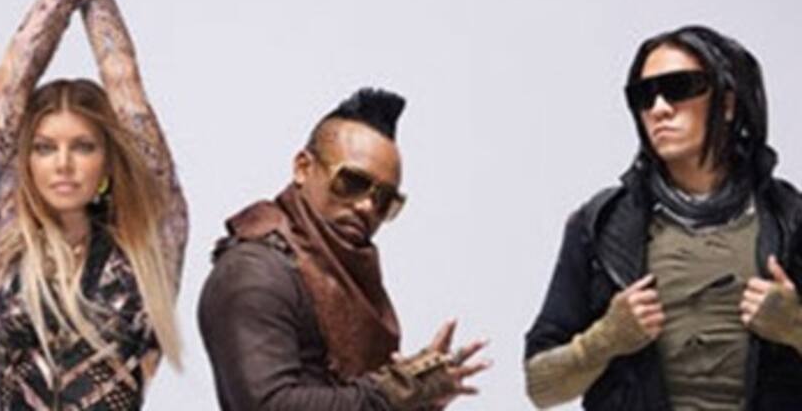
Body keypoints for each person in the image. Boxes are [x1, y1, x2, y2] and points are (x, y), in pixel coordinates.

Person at [0, 0, 187, 410]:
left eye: (84, 147)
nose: (64, 164)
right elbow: (8, 89)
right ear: (26, 161)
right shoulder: (12, 237)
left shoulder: (150, 242)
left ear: (108, 160)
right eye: (44, 148)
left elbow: (124, 83)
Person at [525, 25, 802, 410]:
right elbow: (541, 386)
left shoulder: (790, 220)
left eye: (680, 87)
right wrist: (604, 339)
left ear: (727, 103)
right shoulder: (602, 224)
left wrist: (795, 326)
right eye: (644, 96)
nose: (659, 109)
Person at [197, 87, 490, 410]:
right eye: (352, 182)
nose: (366, 207)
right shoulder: (255, 272)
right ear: (303, 168)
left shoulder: (343, 275)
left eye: (384, 200)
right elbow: (267, 404)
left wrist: (420, 399)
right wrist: (395, 392)